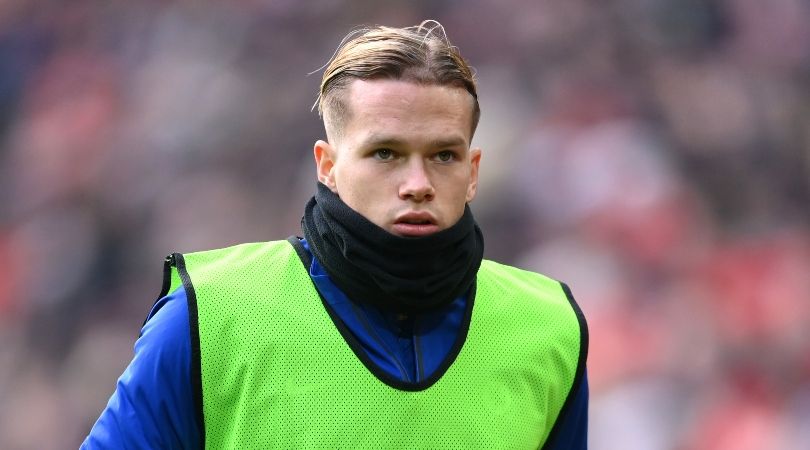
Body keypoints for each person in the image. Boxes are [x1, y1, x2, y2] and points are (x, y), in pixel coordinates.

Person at [81, 20, 588, 449]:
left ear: (473, 170)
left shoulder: (550, 328)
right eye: (385, 153)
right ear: (328, 165)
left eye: (443, 156)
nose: (417, 185)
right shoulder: (208, 315)